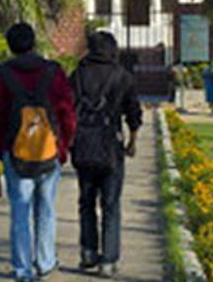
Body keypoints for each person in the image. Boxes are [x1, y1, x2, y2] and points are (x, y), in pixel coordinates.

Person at [0, 22, 76, 282]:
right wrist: (63, 146)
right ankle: (45, 261)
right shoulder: (53, 72)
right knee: (46, 208)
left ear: (10, 45)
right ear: (34, 42)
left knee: (20, 211)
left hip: (16, 152)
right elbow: (67, 112)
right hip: (49, 149)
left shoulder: (1, 75)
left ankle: (22, 268)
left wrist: (3, 147)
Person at [70, 31, 143, 277]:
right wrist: (132, 141)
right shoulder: (122, 76)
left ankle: (88, 251)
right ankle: (108, 260)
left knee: (86, 202)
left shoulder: (78, 74)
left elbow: (68, 108)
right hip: (111, 146)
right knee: (111, 204)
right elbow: (133, 112)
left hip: (84, 145)